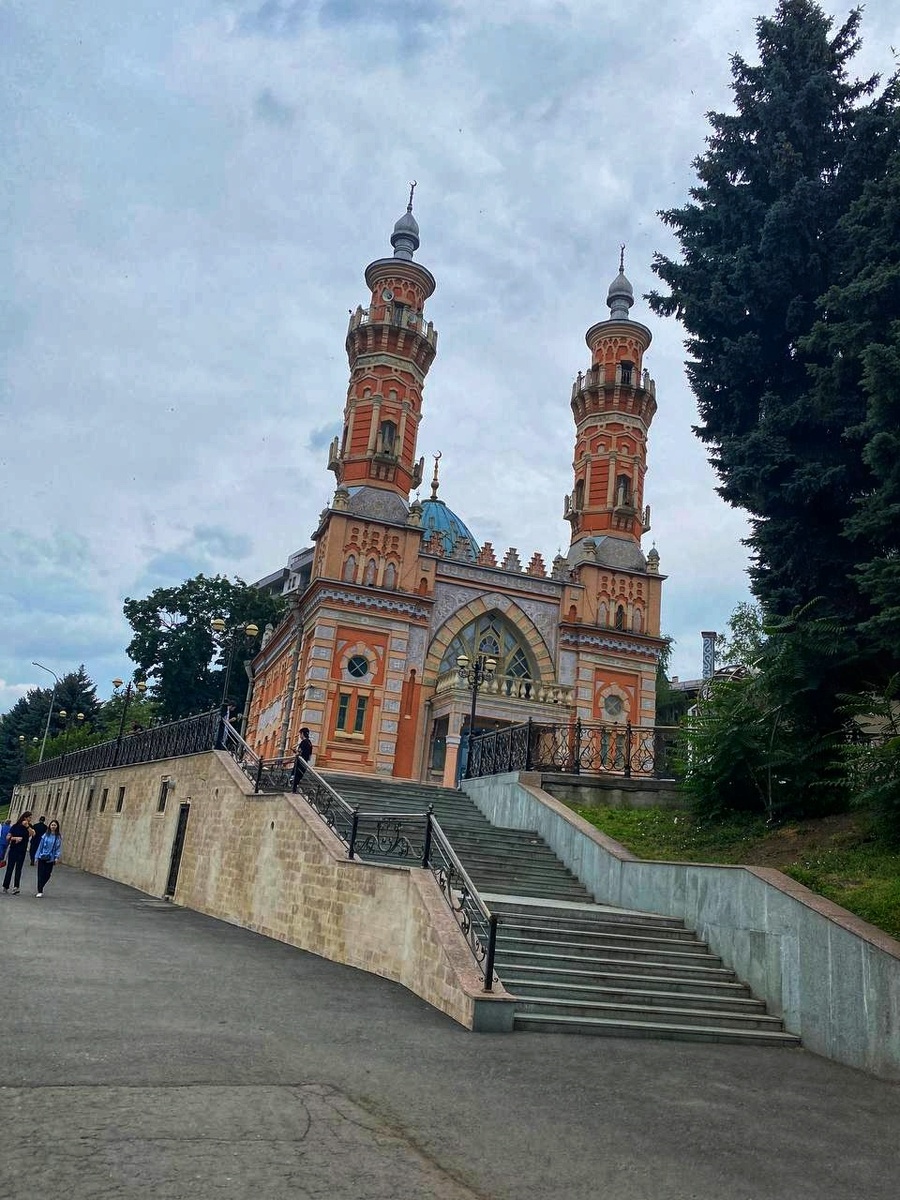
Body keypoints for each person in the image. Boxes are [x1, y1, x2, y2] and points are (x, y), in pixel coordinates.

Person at [2, 812, 34, 894]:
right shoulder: (15, 826)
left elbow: (33, 834)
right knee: (10, 868)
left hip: (22, 850)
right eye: (29, 817)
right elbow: (8, 837)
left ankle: (16, 887)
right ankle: (6, 886)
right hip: (13, 849)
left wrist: (27, 826)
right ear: (25, 817)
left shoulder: (29, 827)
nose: (30, 819)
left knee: (18, 869)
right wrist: (15, 838)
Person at [33, 820, 62, 898]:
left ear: (57, 827)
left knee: (47, 875)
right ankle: (40, 890)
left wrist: (56, 857)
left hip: (50, 858)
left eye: (55, 825)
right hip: (42, 856)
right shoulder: (45, 835)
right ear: (49, 826)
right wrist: (36, 857)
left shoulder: (58, 837)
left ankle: (41, 885)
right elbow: (40, 846)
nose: (53, 826)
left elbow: (58, 848)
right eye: (52, 825)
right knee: (40, 874)